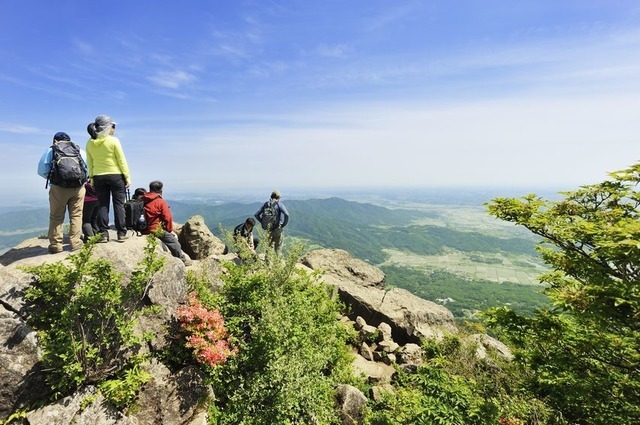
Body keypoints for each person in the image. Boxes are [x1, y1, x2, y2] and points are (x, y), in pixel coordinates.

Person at [37, 132, 88, 253]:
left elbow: (41, 170)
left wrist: (55, 179)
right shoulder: (79, 151)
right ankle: (75, 242)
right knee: (76, 215)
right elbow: (87, 170)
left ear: (55, 140)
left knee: (56, 216)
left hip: (58, 188)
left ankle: (56, 245)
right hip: (78, 187)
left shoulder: (51, 150)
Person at [85, 115, 131, 243]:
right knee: (119, 204)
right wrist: (127, 177)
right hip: (116, 176)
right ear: (107, 127)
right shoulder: (113, 141)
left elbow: (90, 163)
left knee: (102, 205)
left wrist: (92, 179)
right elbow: (121, 160)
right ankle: (121, 233)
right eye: (113, 126)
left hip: (98, 177)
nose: (114, 128)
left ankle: (103, 234)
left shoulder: (90, 142)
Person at [140, 180, 192, 265]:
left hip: (142, 228)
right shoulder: (160, 201)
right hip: (154, 229)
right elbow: (167, 217)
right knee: (173, 241)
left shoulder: (143, 199)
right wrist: (169, 229)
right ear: (160, 190)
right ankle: (182, 260)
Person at [255, 190, 289, 254]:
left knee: (268, 248)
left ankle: (268, 263)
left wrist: (262, 222)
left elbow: (256, 215)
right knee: (278, 249)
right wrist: (284, 224)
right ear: (278, 197)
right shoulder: (279, 204)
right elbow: (287, 214)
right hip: (277, 229)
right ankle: (278, 263)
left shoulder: (266, 204)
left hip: (268, 229)